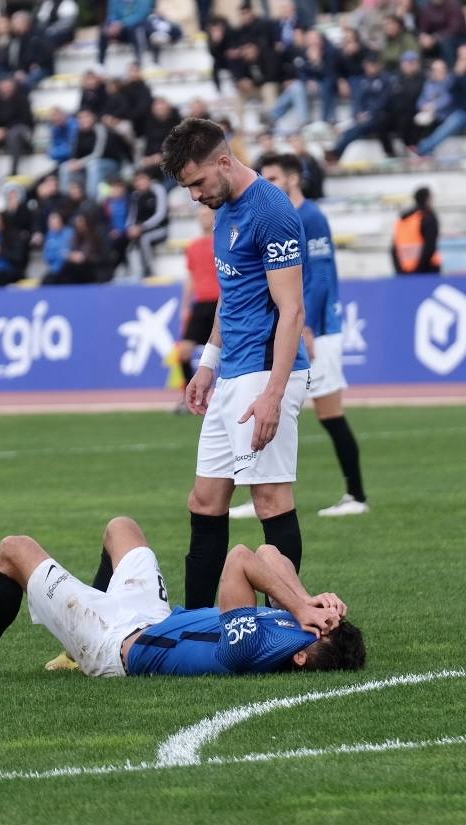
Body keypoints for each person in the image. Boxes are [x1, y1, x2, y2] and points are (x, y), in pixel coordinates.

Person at [160, 118, 311, 610]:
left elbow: (292, 309)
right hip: (233, 371)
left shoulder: (271, 210)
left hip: (267, 372)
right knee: (205, 500)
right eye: (187, 189)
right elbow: (231, 295)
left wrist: (274, 394)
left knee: (270, 500)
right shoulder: (223, 208)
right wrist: (208, 363)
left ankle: (287, 623)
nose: (195, 197)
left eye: (198, 183)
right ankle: (201, 622)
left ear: (224, 161)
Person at [0, 515, 363, 681]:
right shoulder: (292, 632)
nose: (320, 620)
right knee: (121, 528)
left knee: (14, 549)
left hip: (114, 643)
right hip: (153, 617)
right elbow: (270, 554)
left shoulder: (250, 649)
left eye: (323, 627)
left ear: (303, 658)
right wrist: (307, 598)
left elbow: (242, 558)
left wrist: (302, 605)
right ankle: (69, 652)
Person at [259, 154, 368, 517]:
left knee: (329, 413)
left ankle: (356, 496)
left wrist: (307, 327)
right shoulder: (282, 218)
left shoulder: (311, 217)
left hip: (317, 330)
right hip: (295, 328)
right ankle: (259, 495)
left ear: (293, 179)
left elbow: (319, 276)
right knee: (271, 409)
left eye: (273, 177)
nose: (267, 183)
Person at [175, 207, 219, 414]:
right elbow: (191, 278)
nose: (204, 219)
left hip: (222, 302)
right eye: (201, 216)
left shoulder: (222, 242)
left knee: (228, 350)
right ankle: (187, 397)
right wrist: (185, 306)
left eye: (207, 215)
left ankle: (223, 395)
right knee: (183, 351)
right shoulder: (193, 247)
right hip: (201, 304)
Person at [125, 169, 169, 280]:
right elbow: (132, 215)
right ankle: (133, 274)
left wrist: (143, 227)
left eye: (142, 179)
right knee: (126, 243)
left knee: (145, 239)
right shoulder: (135, 196)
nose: (140, 183)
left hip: (159, 228)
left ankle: (149, 270)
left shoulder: (158, 190)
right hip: (139, 230)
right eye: (137, 181)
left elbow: (160, 214)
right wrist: (130, 228)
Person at [392, 186, 441, 274]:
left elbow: (394, 249)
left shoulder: (402, 219)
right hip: (427, 270)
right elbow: (430, 246)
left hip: (405, 270)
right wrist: (419, 269)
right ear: (428, 199)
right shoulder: (427, 216)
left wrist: (399, 270)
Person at [98, 0, 155, 65]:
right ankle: (100, 64)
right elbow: (112, 14)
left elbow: (141, 16)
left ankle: (139, 63)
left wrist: (123, 23)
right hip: (120, 30)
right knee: (103, 30)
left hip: (138, 29)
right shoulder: (114, 1)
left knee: (136, 29)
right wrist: (113, 24)